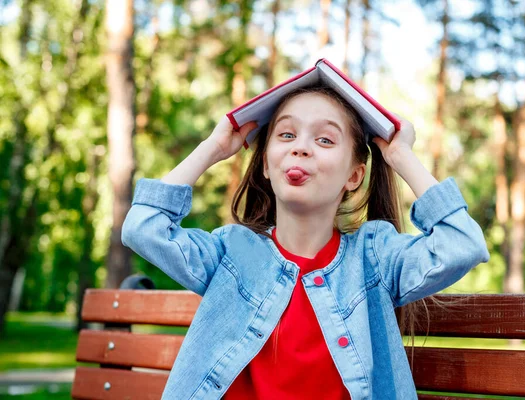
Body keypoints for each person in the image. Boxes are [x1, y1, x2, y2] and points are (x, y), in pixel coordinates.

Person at [121, 85, 490, 400]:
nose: (301, 148)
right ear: (266, 164)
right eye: (286, 135)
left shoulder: (374, 258)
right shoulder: (232, 253)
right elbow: (143, 227)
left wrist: (400, 156)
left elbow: (462, 244)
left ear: (354, 176)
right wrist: (214, 147)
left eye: (325, 139)